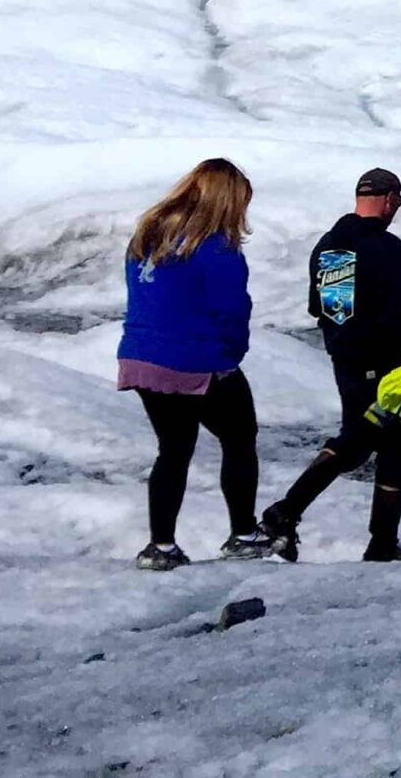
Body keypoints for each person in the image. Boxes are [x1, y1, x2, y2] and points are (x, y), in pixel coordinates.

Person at [259, 167, 401, 563]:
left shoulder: (329, 246)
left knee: (360, 438)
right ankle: (365, 539)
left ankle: (298, 515)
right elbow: (397, 315)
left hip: (346, 361)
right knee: (389, 445)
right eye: (399, 201)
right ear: (390, 199)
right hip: (387, 366)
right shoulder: (386, 247)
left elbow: (320, 308)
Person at [117, 158, 274, 569]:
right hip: (196, 360)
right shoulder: (217, 248)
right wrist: (232, 353)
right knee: (240, 438)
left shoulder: (148, 237)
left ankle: (160, 545)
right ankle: (243, 533)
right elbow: (232, 309)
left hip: (141, 358)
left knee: (173, 450)